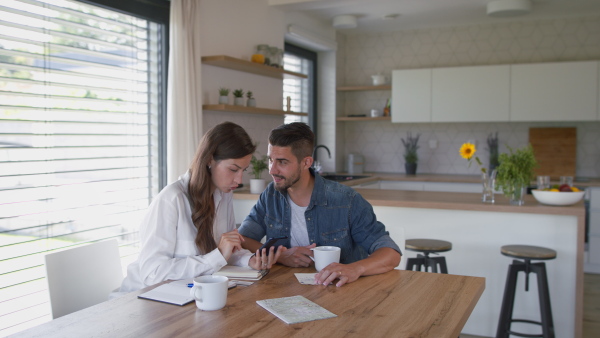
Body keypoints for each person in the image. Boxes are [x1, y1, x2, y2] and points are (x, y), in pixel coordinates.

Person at [117, 122, 284, 294]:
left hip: (186, 295)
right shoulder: (172, 199)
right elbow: (152, 273)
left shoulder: (224, 195)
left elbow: (227, 249)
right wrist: (217, 255)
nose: (239, 180)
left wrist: (249, 260)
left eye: (243, 170)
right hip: (142, 298)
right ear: (210, 159)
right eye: (233, 169)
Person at [238, 122, 401, 287]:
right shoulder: (271, 195)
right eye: (270, 160)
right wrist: (280, 255)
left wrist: (355, 269)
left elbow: (391, 254)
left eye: (282, 162)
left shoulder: (346, 201)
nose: (272, 170)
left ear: (306, 162)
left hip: (343, 294)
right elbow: (244, 238)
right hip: (284, 289)